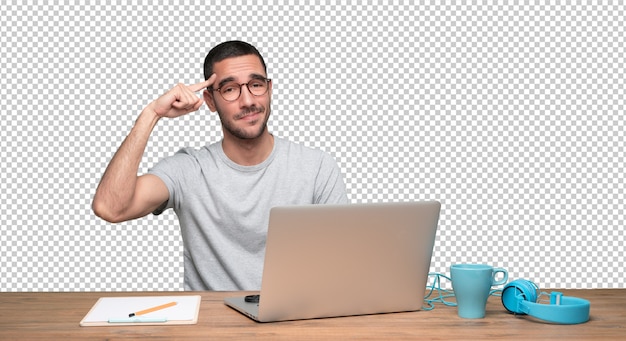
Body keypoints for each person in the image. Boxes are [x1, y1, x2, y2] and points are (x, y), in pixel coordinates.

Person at [92, 41, 349, 290]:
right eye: (230, 89)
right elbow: (110, 208)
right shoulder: (188, 170)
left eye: (256, 85)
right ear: (210, 101)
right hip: (210, 326)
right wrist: (151, 115)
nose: (248, 100)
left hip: (292, 323)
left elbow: (346, 262)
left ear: (270, 89)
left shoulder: (317, 167)